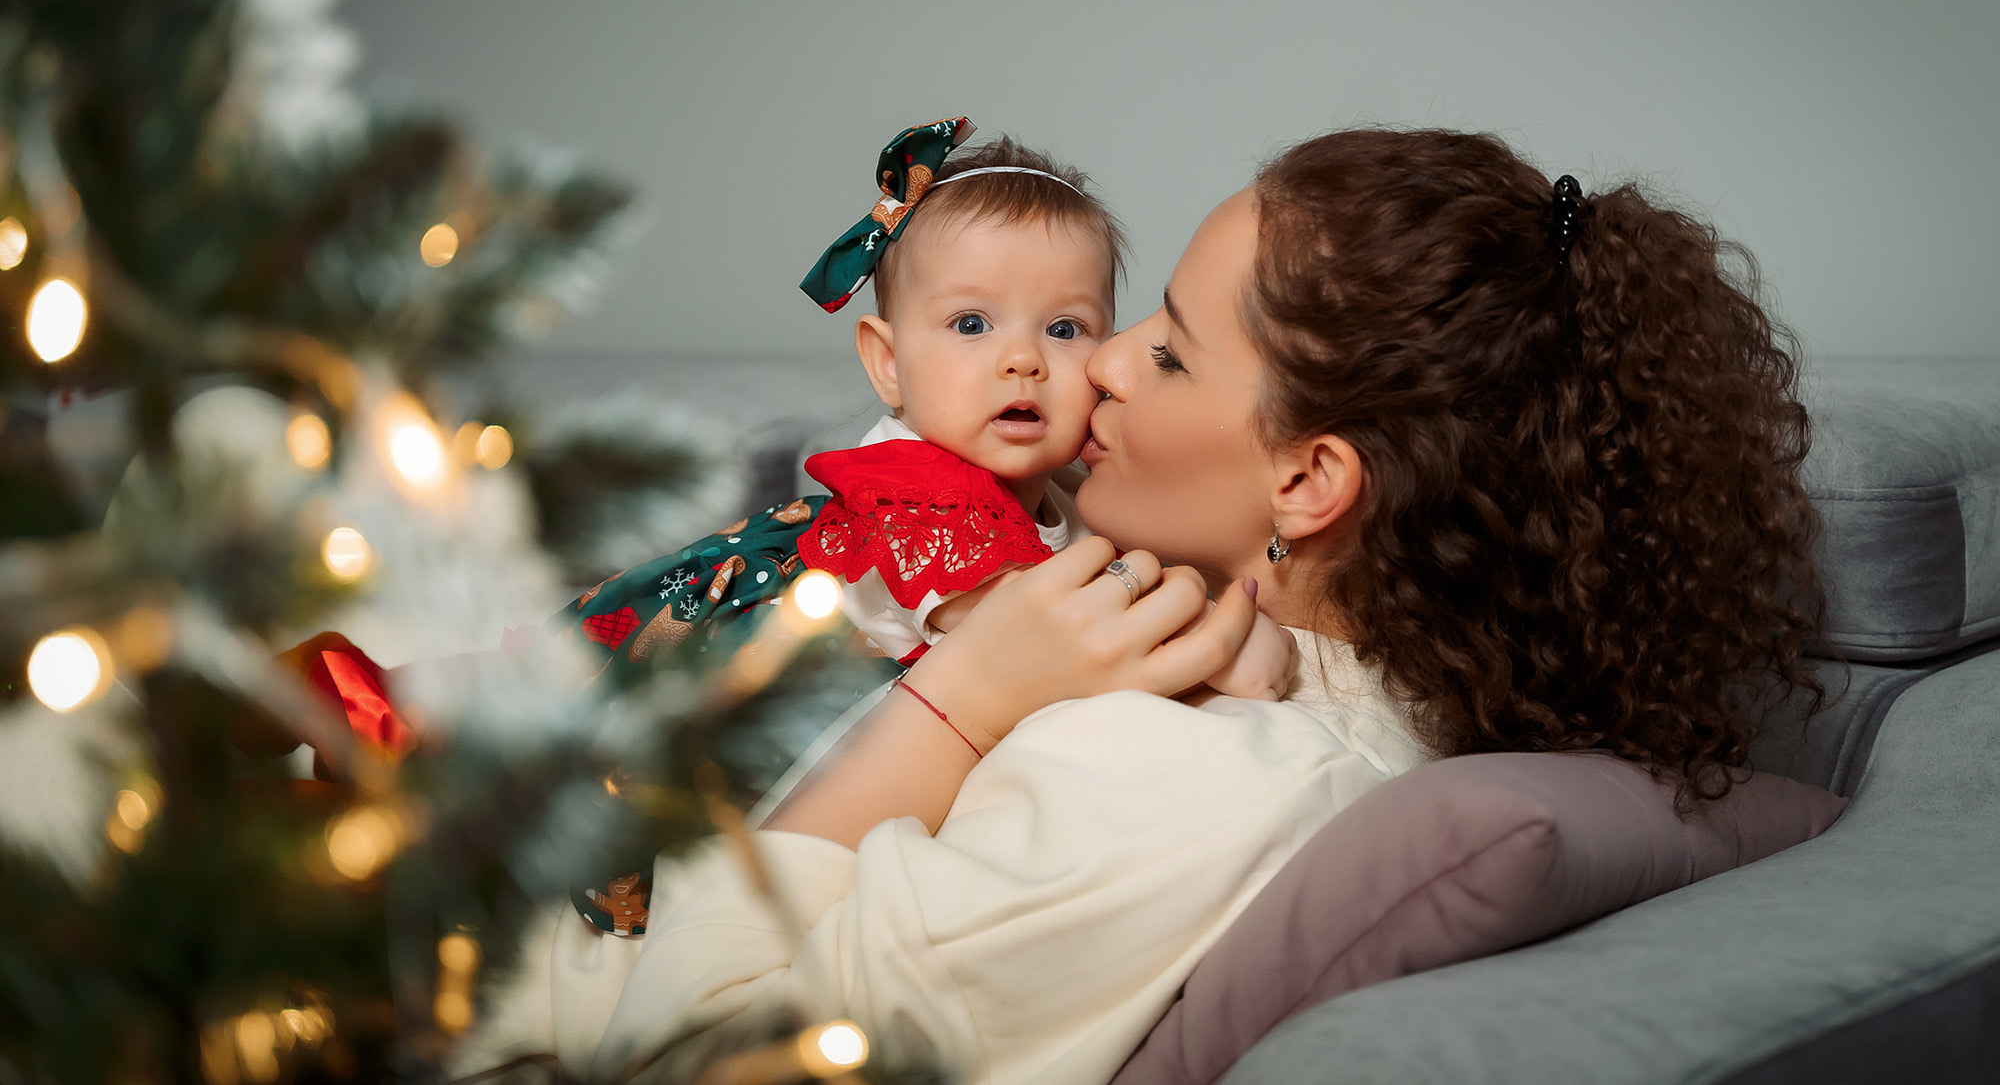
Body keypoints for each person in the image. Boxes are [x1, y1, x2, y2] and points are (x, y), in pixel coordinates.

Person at [460, 128, 1822, 1085]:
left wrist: (958, 700)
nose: (1093, 361)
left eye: (1164, 344)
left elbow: (681, 1051)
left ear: (1305, 477)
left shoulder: (1171, 778)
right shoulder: (1219, 651)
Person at [795, 117, 1297, 699]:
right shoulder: (905, 492)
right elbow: (1049, 630)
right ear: (888, 363)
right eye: (972, 324)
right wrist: (1215, 639)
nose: (1023, 360)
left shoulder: (1073, 489)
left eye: (1064, 328)